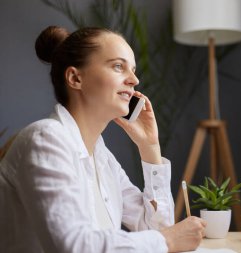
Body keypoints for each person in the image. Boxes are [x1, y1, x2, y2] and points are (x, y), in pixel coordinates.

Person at [0, 26, 206, 253]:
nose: (134, 79)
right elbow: (74, 246)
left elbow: (155, 227)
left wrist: (150, 147)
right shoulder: (45, 140)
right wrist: (166, 241)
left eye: (134, 70)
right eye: (118, 66)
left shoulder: (101, 155)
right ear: (75, 78)